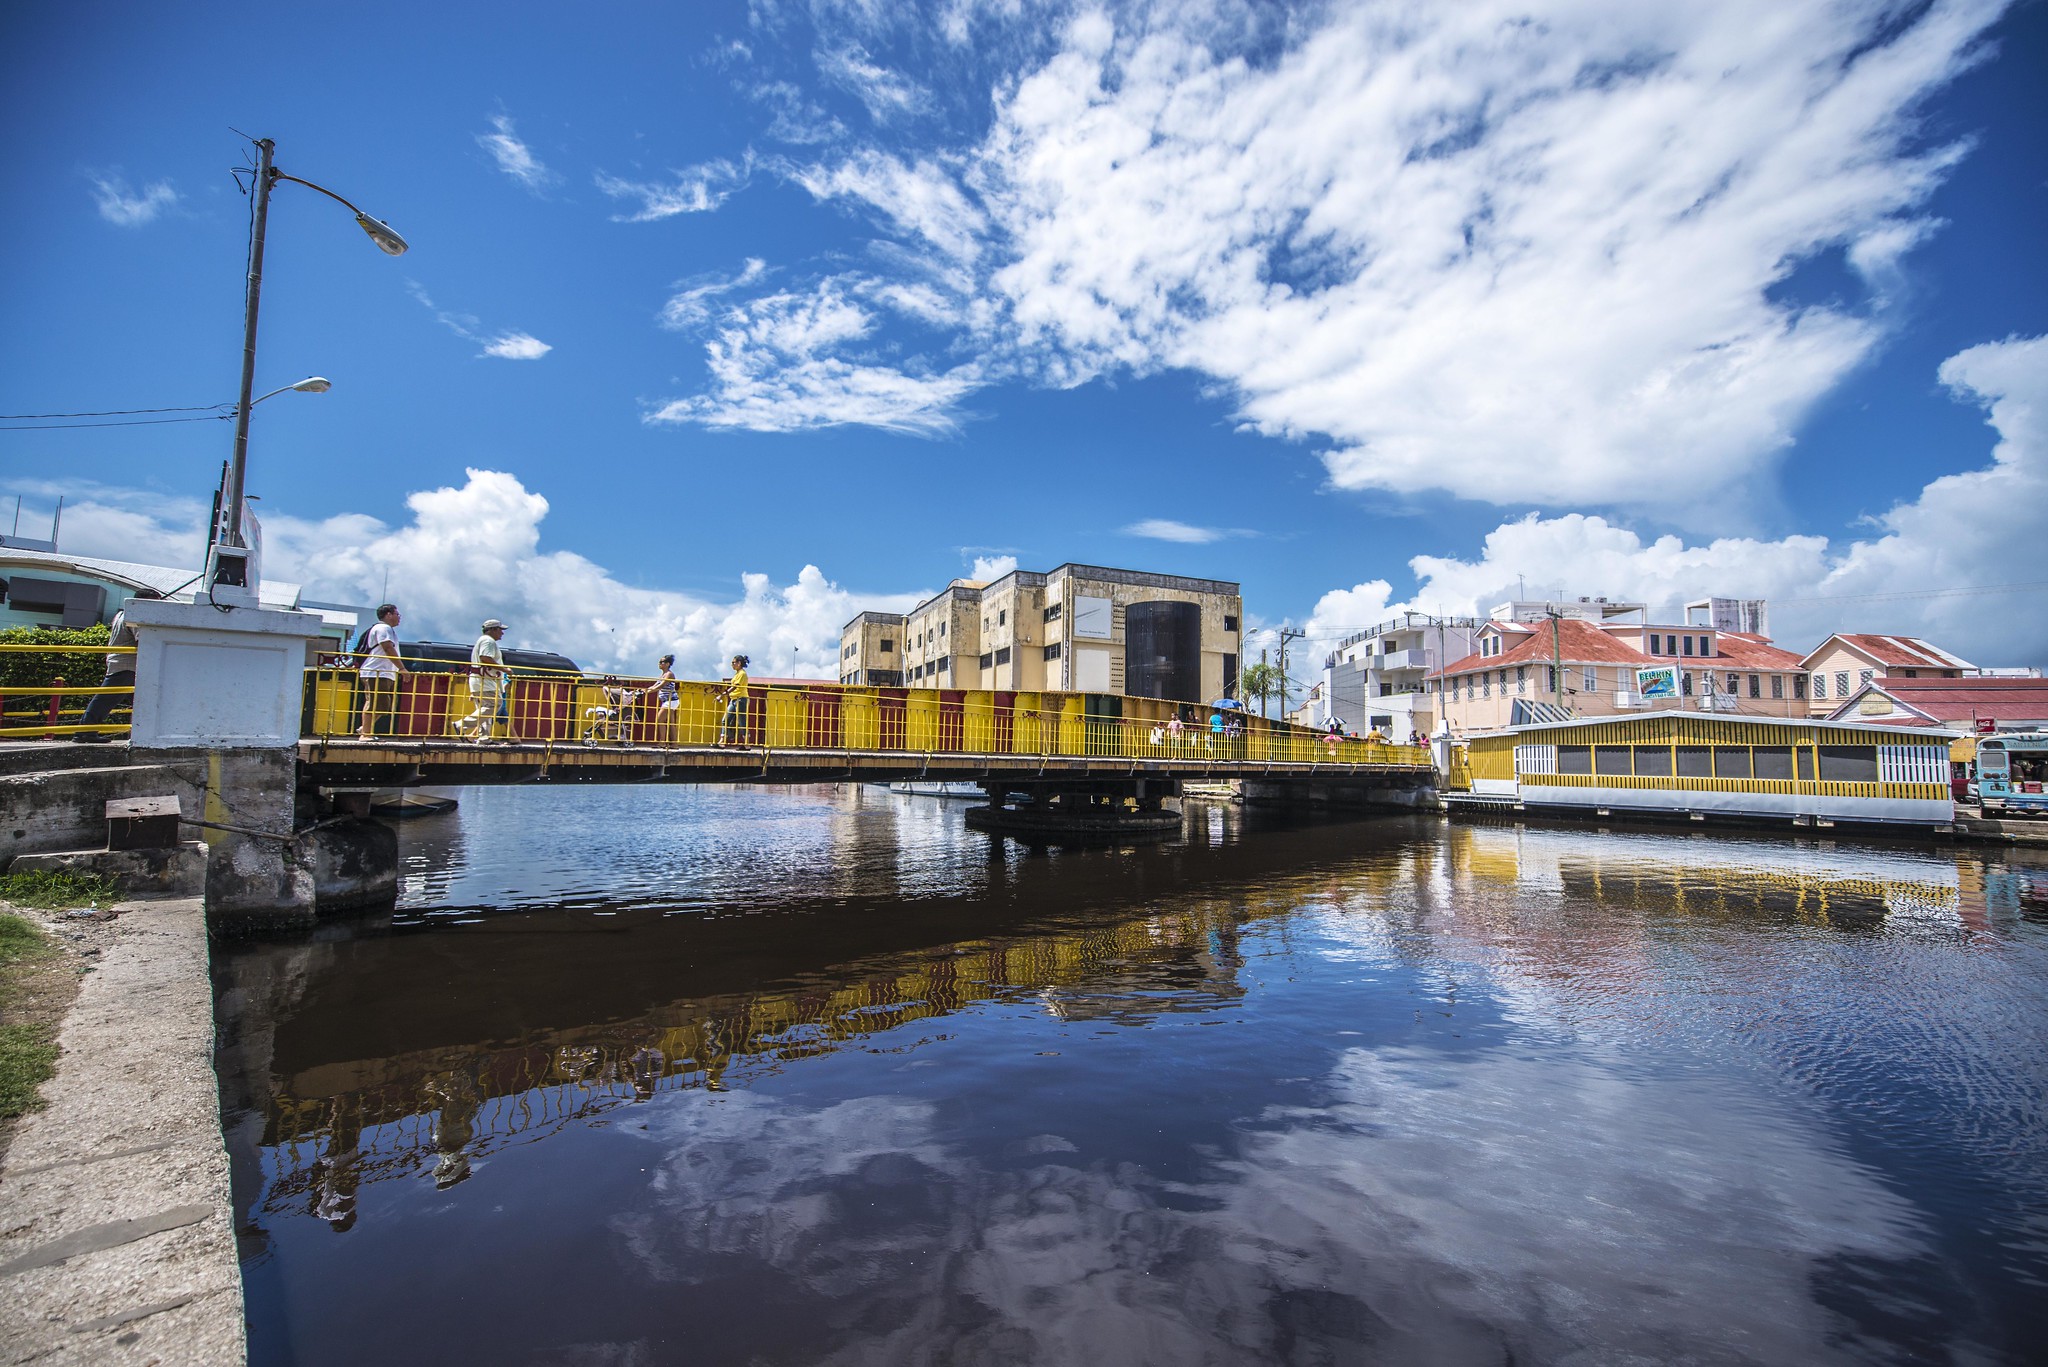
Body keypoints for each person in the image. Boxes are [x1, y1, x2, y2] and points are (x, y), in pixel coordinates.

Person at [73, 589, 160, 742]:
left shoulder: (121, 613)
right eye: (155, 602)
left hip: (119, 662)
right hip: (127, 665)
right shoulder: (136, 615)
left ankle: (86, 732)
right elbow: (143, 639)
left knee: (108, 699)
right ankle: (84, 732)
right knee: (106, 699)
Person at [355, 604, 410, 740]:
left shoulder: (385, 629)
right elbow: (388, 648)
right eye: (397, 614)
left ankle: (364, 728)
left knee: (383, 705)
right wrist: (402, 668)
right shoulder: (383, 628)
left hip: (383, 672)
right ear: (388, 614)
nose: (399, 617)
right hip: (376, 672)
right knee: (373, 702)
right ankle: (365, 734)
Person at [453, 619, 510, 743]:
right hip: (485, 680)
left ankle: (484, 738)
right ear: (493, 630)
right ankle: (462, 724)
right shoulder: (488, 641)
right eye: (500, 630)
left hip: (479, 679)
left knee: (484, 708)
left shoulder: (483, 640)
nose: (502, 633)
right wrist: (504, 669)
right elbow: (485, 657)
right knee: (494, 704)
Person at [717, 654, 750, 746]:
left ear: (739, 663)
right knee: (725, 719)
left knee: (742, 721)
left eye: (733, 662)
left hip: (741, 699)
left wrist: (723, 694)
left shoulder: (742, 674)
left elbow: (735, 686)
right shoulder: (737, 674)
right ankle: (722, 741)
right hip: (734, 699)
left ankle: (747, 743)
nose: (732, 664)